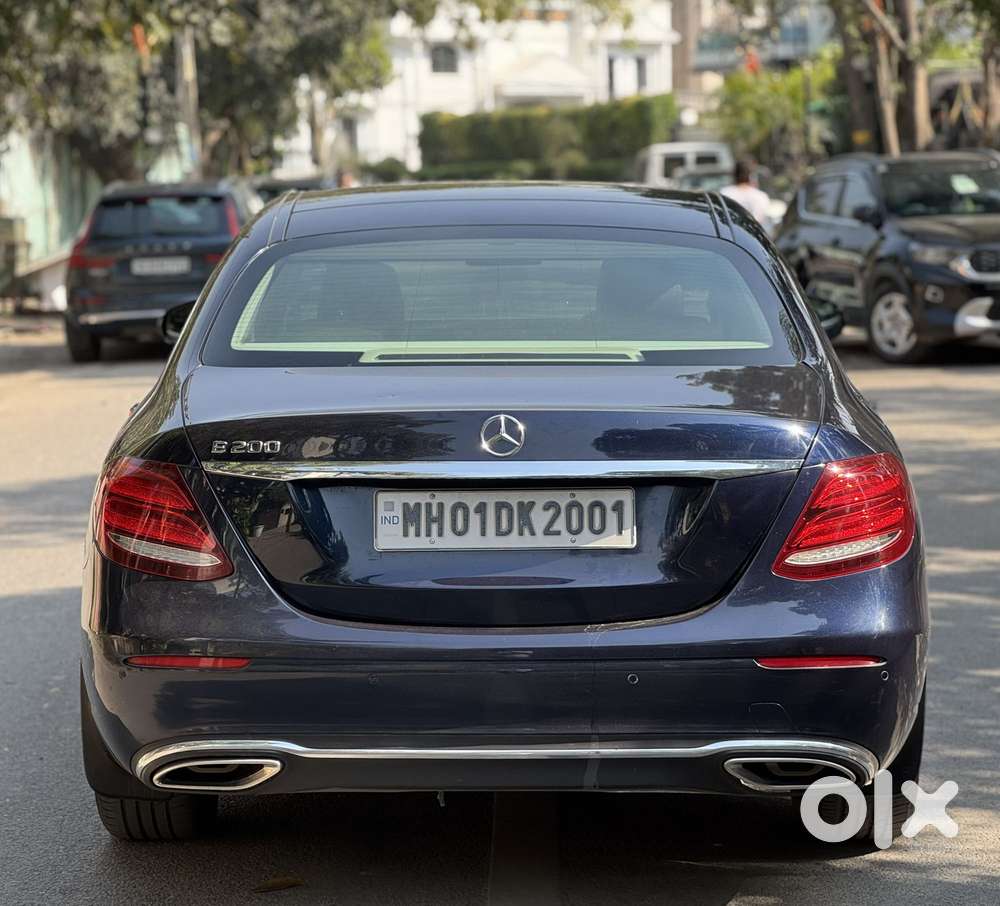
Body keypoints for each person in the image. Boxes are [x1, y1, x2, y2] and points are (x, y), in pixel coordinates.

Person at [720, 159, 773, 231]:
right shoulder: (761, 196)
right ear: (752, 176)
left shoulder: (724, 193)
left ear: (734, 175)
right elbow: (760, 222)